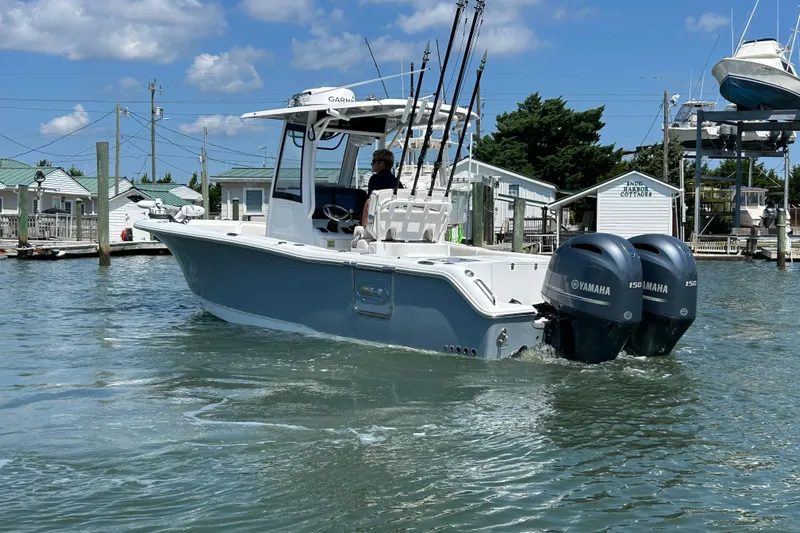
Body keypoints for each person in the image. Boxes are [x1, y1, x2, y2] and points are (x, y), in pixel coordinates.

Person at [361, 149, 403, 226]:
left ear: (382, 163)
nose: (371, 164)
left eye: (374, 161)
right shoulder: (398, 183)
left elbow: (369, 203)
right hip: (393, 222)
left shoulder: (375, 179)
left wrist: (364, 226)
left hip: (377, 222)